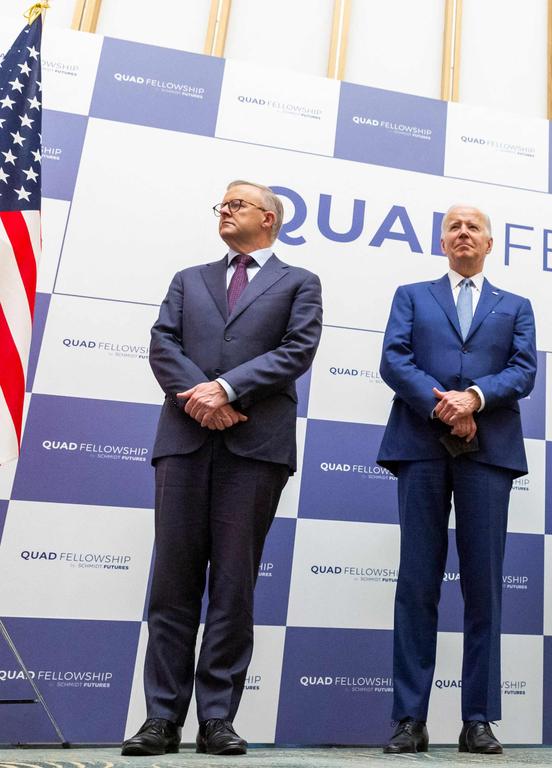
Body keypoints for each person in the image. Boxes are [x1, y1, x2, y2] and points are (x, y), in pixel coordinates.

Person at [122, 181, 322, 757]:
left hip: (255, 447)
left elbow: (296, 350)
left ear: (268, 217)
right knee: (172, 585)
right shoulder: (189, 278)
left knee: (234, 586)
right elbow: (163, 343)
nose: (225, 211)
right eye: (222, 204)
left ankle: (217, 719)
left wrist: (228, 388)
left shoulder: (300, 282)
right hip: (185, 440)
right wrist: (200, 397)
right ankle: (161, 718)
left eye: (236, 204)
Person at [377, 204, 537, 754]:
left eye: (474, 227)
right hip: (420, 445)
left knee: (484, 587)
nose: (463, 233)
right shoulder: (412, 295)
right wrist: (443, 403)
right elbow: (394, 360)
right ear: (442, 241)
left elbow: (524, 369)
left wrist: (475, 397)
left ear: (490, 244)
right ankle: (408, 719)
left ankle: (478, 719)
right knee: (416, 582)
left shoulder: (515, 305)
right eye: (453, 227)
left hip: (488, 450)